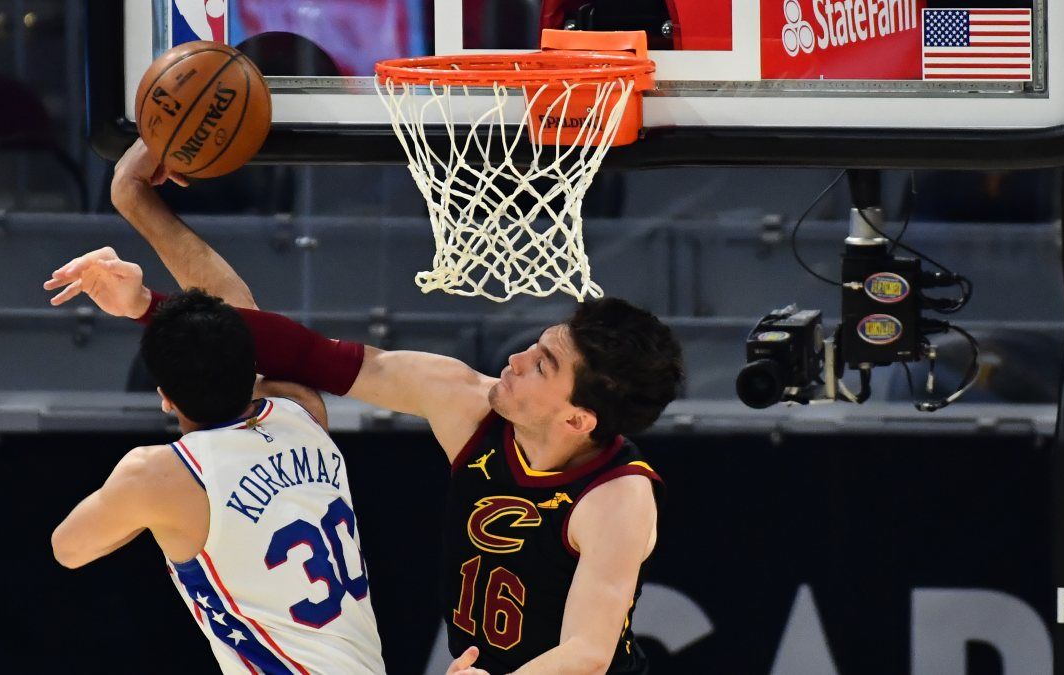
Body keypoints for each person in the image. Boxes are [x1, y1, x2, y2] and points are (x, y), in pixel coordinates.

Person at [47, 139, 683, 674]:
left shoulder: (619, 497)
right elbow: (301, 352)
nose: (516, 358)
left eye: (542, 366)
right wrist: (149, 307)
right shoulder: (463, 399)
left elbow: (588, 653)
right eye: (536, 345)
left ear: (578, 419)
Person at [49, 288, 390, 673]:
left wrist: (145, 512)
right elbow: (250, 333)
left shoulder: (156, 474)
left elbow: (68, 549)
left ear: (165, 398)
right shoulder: (302, 409)